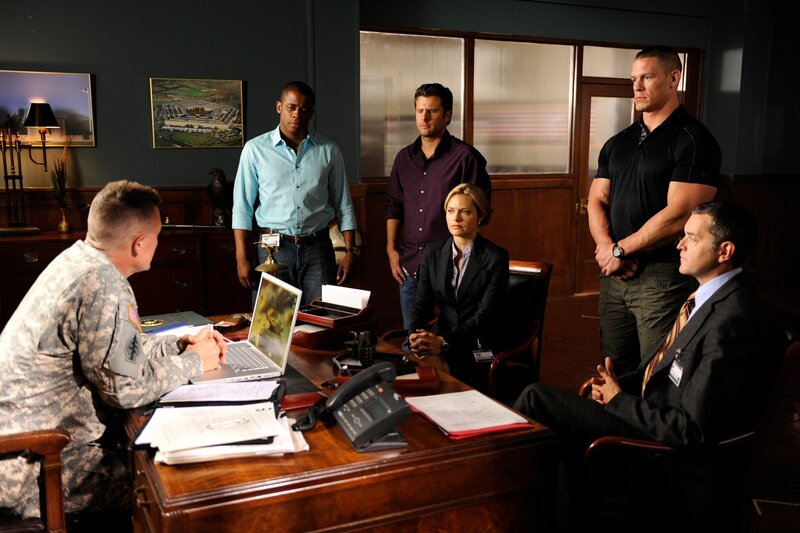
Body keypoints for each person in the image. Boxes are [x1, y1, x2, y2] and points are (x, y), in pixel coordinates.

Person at [514, 201, 786, 531]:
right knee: (550, 420)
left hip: (664, 454)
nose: (679, 245)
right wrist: (619, 385)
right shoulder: (706, 297)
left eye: (691, 237)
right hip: (647, 417)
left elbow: (690, 431)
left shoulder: (734, 320)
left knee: (535, 400)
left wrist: (618, 400)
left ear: (724, 251)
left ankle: (506, 510)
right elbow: (665, 371)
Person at [0, 180, 227, 520]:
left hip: (23, 447)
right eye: (157, 235)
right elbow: (126, 390)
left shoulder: (77, 260)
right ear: (140, 243)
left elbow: (117, 349)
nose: (157, 243)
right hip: (34, 463)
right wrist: (196, 362)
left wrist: (179, 344)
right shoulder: (104, 285)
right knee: (178, 484)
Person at [587, 45, 721, 375]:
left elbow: (681, 213)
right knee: (614, 366)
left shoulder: (693, 140)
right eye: (633, 79)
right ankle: (618, 412)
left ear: (674, 79)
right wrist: (607, 249)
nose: (636, 86)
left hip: (662, 276)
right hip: (615, 274)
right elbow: (596, 200)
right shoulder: (618, 142)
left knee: (657, 368)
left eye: (646, 77)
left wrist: (620, 250)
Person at [232, 81, 357, 306]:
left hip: (318, 250)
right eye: (291, 107)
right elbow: (242, 208)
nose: (297, 114)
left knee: (319, 318)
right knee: (273, 321)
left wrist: (350, 252)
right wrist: (241, 258)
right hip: (272, 249)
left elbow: (344, 204)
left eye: (304, 109)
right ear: (279, 107)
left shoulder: (329, 150)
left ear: (311, 112)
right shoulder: (255, 150)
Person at [386, 82, 491, 333]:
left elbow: (481, 210)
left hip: (453, 268)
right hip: (411, 264)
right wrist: (391, 249)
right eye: (419, 110)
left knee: (454, 339)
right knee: (414, 339)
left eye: (432, 111)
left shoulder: (465, 157)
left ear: (447, 116)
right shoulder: (403, 158)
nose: (424, 117)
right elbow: (394, 206)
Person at [408, 184, 508, 391]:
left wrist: (444, 341)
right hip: (439, 336)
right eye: (451, 211)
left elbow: (485, 314)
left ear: (480, 216)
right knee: (423, 358)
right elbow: (422, 304)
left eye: (465, 212)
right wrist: (414, 335)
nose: (456, 218)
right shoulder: (432, 253)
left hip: (477, 341)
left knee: (431, 369)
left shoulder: (496, 257)